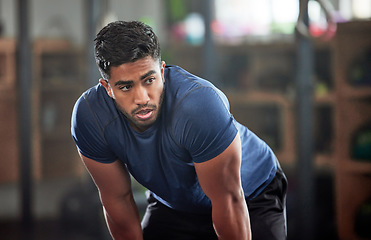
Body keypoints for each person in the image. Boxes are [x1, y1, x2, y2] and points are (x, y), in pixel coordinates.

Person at [71, 20, 287, 240]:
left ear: (162, 71)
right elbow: (117, 200)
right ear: (107, 87)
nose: (142, 98)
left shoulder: (197, 106)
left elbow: (229, 201)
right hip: (176, 204)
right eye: (126, 87)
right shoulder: (91, 118)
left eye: (149, 80)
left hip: (249, 194)